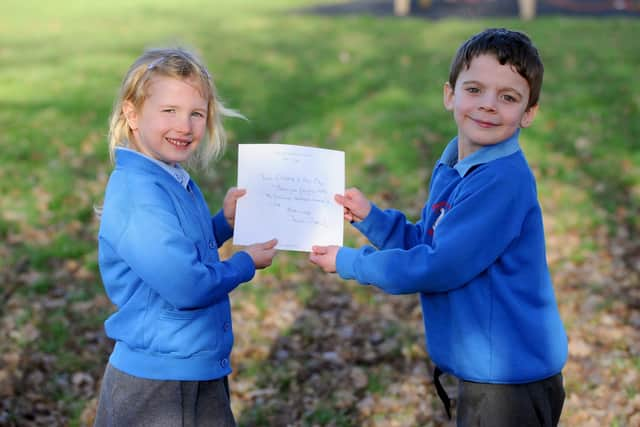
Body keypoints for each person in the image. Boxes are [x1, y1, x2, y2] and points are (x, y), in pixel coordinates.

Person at [309, 28, 567, 426]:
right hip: (487, 369)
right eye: (475, 89)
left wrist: (350, 263)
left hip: (510, 376)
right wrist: (372, 219)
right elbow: (431, 243)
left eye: (508, 97)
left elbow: (438, 266)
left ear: (528, 113)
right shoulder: (455, 166)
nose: (488, 106)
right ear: (450, 95)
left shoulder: (501, 180)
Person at [94, 47, 277, 427]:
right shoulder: (138, 191)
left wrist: (223, 223)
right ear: (132, 113)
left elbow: (176, 252)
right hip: (154, 385)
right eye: (169, 111)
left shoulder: (171, 177)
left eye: (196, 113)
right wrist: (244, 263)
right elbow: (185, 284)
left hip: (195, 367)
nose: (185, 126)